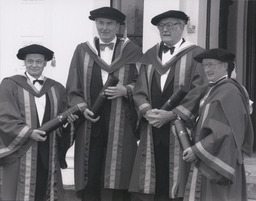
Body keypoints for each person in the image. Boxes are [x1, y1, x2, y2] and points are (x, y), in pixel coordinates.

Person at [66, 6, 143, 201]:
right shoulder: (82, 51)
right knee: (90, 171)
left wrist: (126, 90)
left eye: (110, 23)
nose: (105, 27)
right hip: (90, 120)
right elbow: (73, 87)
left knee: (118, 171)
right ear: (95, 24)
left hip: (121, 122)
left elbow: (143, 83)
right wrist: (82, 107)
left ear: (118, 26)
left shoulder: (132, 51)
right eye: (101, 23)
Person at [129, 10, 207, 201]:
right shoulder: (149, 55)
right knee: (156, 180)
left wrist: (172, 115)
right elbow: (139, 90)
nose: (165, 29)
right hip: (152, 126)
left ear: (182, 27)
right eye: (161, 26)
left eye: (171, 25)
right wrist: (147, 112)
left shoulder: (197, 55)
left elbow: (199, 90)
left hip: (179, 128)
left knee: (177, 181)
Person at [0, 44, 77, 201]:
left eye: (38, 61)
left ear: (45, 63)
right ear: (25, 62)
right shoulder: (10, 85)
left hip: (48, 151)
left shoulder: (57, 88)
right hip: (21, 152)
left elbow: (63, 116)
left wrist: (68, 123)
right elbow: (5, 116)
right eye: (30, 61)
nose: (34, 65)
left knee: (44, 192)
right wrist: (29, 133)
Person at [182, 48, 254, 201]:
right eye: (205, 66)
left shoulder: (228, 92)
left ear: (225, 66)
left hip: (219, 160)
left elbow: (223, 131)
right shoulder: (215, 89)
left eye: (211, 65)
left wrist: (196, 150)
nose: (207, 69)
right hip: (212, 155)